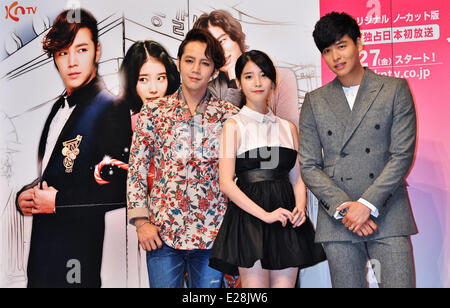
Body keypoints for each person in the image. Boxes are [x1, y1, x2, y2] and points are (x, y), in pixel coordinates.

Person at [299, 12, 418, 288]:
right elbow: (309, 165)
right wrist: (346, 209)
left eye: (342, 45)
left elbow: (401, 155)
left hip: (387, 213)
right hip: (339, 220)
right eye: (327, 51)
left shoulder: (393, 89)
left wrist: (366, 205)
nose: (335, 57)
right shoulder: (315, 101)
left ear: (359, 44)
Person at [15, 9, 132, 288]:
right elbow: (58, 173)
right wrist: (27, 195)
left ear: (97, 50)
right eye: (63, 53)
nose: (72, 62)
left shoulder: (110, 107)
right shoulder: (59, 106)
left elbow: (123, 187)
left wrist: (58, 202)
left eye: (81, 49)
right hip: (41, 259)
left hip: (77, 262)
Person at [127, 28, 239, 288]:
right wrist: (141, 222)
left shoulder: (229, 116)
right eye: (189, 60)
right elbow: (137, 170)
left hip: (213, 236)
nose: (195, 69)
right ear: (178, 63)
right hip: (162, 234)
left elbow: (239, 174)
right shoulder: (153, 112)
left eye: (205, 63)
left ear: (214, 71)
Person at [209, 50, 326, 288]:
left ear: (273, 81)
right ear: (239, 82)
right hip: (250, 221)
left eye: (263, 75)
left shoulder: (288, 128)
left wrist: (300, 208)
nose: (257, 82)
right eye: (249, 76)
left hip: (286, 221)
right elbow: (226, 183)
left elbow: (297, 179)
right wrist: (265, 215)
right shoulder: (233, 125)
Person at [193, 10, 299, 127]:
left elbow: (289, 131)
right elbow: (218, 133)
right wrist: (234, 83)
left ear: (236, 37)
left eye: (222, 41)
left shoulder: (282, 77)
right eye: (212, 48)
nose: (221, 51)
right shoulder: (211, 90)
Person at [120, 40, 180, 195]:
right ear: (131, 82)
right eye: (143, 79)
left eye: (160, 78)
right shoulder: (127, 125)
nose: (153, 89)